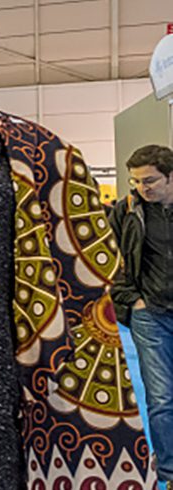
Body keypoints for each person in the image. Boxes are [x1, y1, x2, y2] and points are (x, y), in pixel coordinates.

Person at [110, 144, 173, 486]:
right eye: (135, 181)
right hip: (149, 315)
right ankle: (169, 473)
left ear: (171, 177)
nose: (141, 188)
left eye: (149, 181)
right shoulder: (126, 210)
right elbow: (106, 257)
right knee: (161, 398)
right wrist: (130, 299)